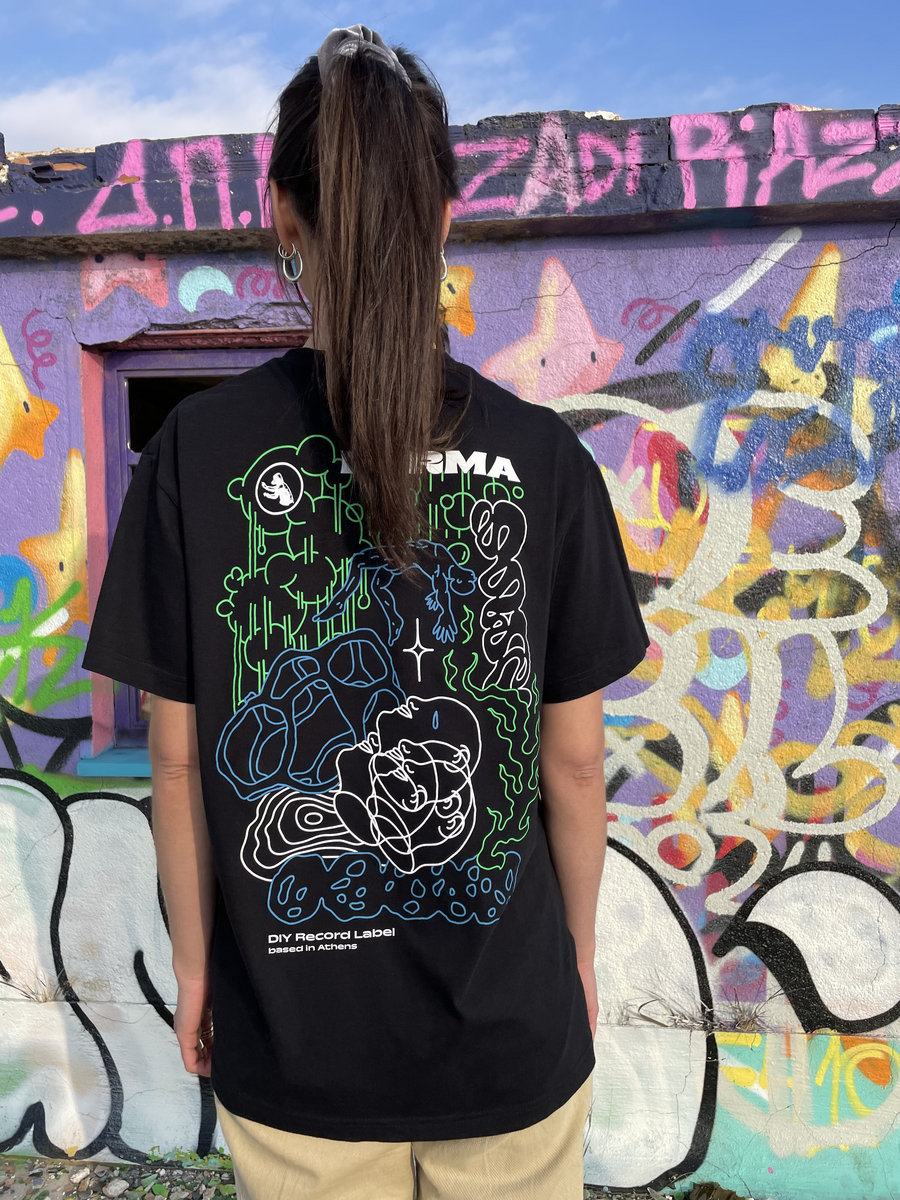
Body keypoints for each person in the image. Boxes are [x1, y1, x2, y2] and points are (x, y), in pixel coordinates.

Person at [83, 24, 649, 1200]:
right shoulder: (545, 458)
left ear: (280, 213)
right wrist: (580, 961)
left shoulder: (194, 451)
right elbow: (573, 766)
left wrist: (196, 968)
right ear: (444, 215)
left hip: (297, 1054)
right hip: (511, 1042)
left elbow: (176, 764)